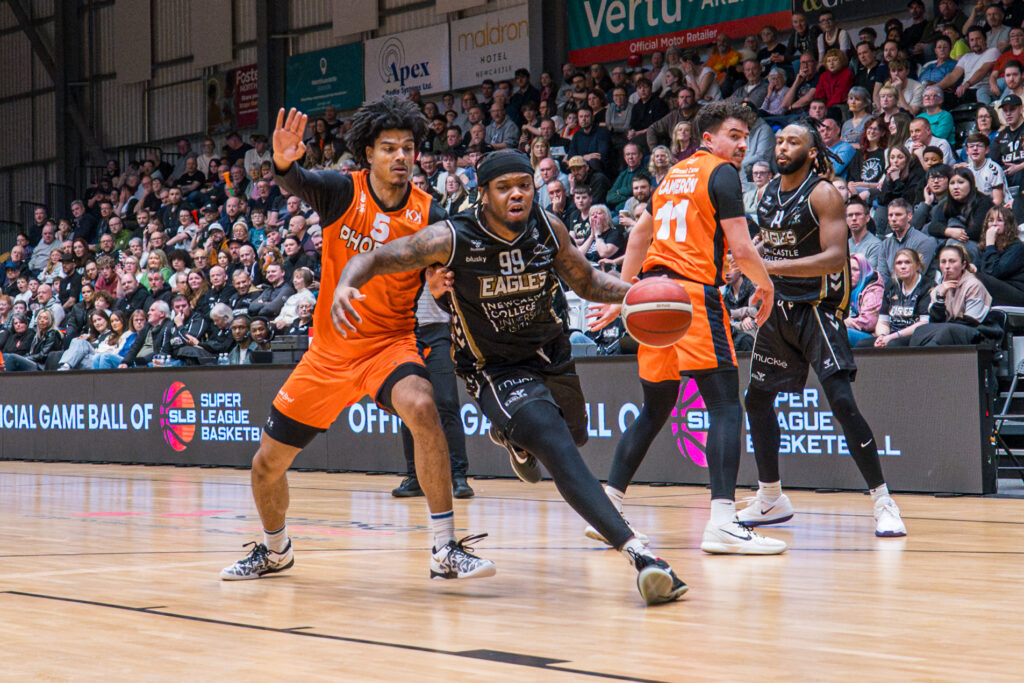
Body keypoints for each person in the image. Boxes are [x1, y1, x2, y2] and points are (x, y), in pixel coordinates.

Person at [333, 149, 688, 606]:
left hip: (550, 352)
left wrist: (639, 297)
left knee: (575, 434)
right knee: (558, 447)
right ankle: (642, 556)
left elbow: (587, 282)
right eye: (504, 187)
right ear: (483, 194)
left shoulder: (548, 227)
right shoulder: (452, 238)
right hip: (494, 367)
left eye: (524, 184)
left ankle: (517, 443)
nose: (517, 193)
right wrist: (347, 282)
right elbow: (383, 257)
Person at [219, 103, 495, 582]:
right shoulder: (343, 190)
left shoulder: (431, 211)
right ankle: (275, 549)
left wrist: (439, 289)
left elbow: (448, 281)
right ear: (369, 153)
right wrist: (283, 163)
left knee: (424, 407)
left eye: (408, 148)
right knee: (265, 465)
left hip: (389, 346)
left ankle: (444, 547)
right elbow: (296, 180)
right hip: (327, 355)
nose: (401, 156)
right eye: (389, 148)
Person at [588, 100, 785, 556]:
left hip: (653, 299)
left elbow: (639, 237)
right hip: (692, 298)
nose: (741, 144)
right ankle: (722, 522)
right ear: (708, 138)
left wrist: (624, 297)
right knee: (724, 405)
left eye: (744, 137)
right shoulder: (721, 173)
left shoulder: (671, 177)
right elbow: (740, 245)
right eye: (733, 135)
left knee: (655, 408)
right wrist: (766, 286)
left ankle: (606, 511)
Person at [743, 120, 906, 538]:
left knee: (842, 403)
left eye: (792, 142)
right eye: (778, 141)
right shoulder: (765, 194)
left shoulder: (823, 193)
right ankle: (770, 497)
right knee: (757, 400)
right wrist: (749, 264)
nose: (781, 148)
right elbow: (768, 238)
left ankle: (883, 501)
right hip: (778, 309)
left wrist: (769, 267)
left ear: (812, 150)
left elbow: (835, 257)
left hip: (815, 310)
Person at [907, 244, 993, 346]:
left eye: (952, 261)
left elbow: (971, 321)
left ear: (963, 264)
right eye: (943, 262)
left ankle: (924, 360)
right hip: (946, 331)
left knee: (945, 332)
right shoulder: (938, 289)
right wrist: (941, 298)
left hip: (974, 334)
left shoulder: (974, 285)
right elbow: (935, 321)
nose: (947, 266)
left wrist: (944, 327)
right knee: (918, 331)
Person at [978, 205, 1024, 306]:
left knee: (979, 278)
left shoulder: (1017, 247)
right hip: (1000, 289)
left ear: (1008, 224)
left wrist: (990, 244)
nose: (994, 224)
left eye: (999, 220)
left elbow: (994, 273)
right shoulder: (988, 247)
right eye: (991, 220)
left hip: (1018, 293)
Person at [845, 253, 884, 346]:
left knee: (841, 333)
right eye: (848, 270)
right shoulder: (843, 286)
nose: (850, 274)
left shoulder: (874, 289)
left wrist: (843, 323)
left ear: (864, 272)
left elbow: (868, 322)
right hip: (849, 327)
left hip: (870, 335)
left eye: (855, 270)